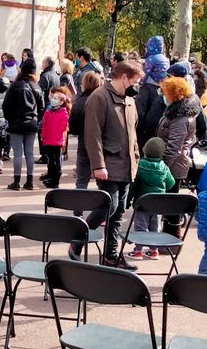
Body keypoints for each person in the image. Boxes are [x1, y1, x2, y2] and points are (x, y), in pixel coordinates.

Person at [79, 59, 143, 268]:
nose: (137, 85)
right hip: (108, 163)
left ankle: (111, 255)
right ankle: (77, 240)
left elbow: (133, 133)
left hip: (127, 164)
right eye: (135, 80)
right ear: (124, 77)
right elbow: (92, 134)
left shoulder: (130, 100)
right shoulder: (100, 97)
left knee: (119, 212)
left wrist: (136, 157)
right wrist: (98, 164)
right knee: (110, 205)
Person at [127, 137, 175, 261]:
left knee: (140, 227)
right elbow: (171, 183)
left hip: (142, 203)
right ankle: (154, 250)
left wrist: (127, 200)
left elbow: (134, 186)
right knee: (155, 227)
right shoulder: (164, 167)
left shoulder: (140, 166)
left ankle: (138, 250)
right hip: (158, 203)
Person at [2, 58, 44, 191]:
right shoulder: (36, 87)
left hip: (16, 123)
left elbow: (6, 105)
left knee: (18, 153)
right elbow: (42, 106)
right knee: (30, 153)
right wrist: (36, 119)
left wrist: (9, 118)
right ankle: (30, 181)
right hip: (32, 123)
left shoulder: (15, 85)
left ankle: (16, 181)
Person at [156, 74, 200, 187]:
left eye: (165, 93)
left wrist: (162, 167)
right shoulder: (175, 111)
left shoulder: (180, 118)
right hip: (173, 165)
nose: (164, 96)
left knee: (169, 201)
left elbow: (174, 148)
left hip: (173, 168)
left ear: (173, 95)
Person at [136, 36, 169, 149]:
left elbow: (145, 75)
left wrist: (139, 84)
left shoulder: (152, 59)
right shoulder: (165, 58)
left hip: (149, 88)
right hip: (161, 89)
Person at [70, 70, 101, 189]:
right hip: (102, 144)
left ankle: (78, 206)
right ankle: (102, 206)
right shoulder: (103, 100)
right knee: (102, 181)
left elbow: (73, 128)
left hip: (84, 143)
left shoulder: (80, 102)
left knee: (82, 180)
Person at [39, 86, 70, 188]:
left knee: (56, 161)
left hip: (57, 141)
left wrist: (57, 138)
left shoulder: (64, 113)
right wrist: (44, 136)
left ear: (61, 102)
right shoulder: (49, 112)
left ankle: (55, 181)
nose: (53, 100)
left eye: (56, 99)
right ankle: (51, 178)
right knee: (51, 161)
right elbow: (45, 125)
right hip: (49, 140)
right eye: (53, 98)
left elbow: (62, 127)